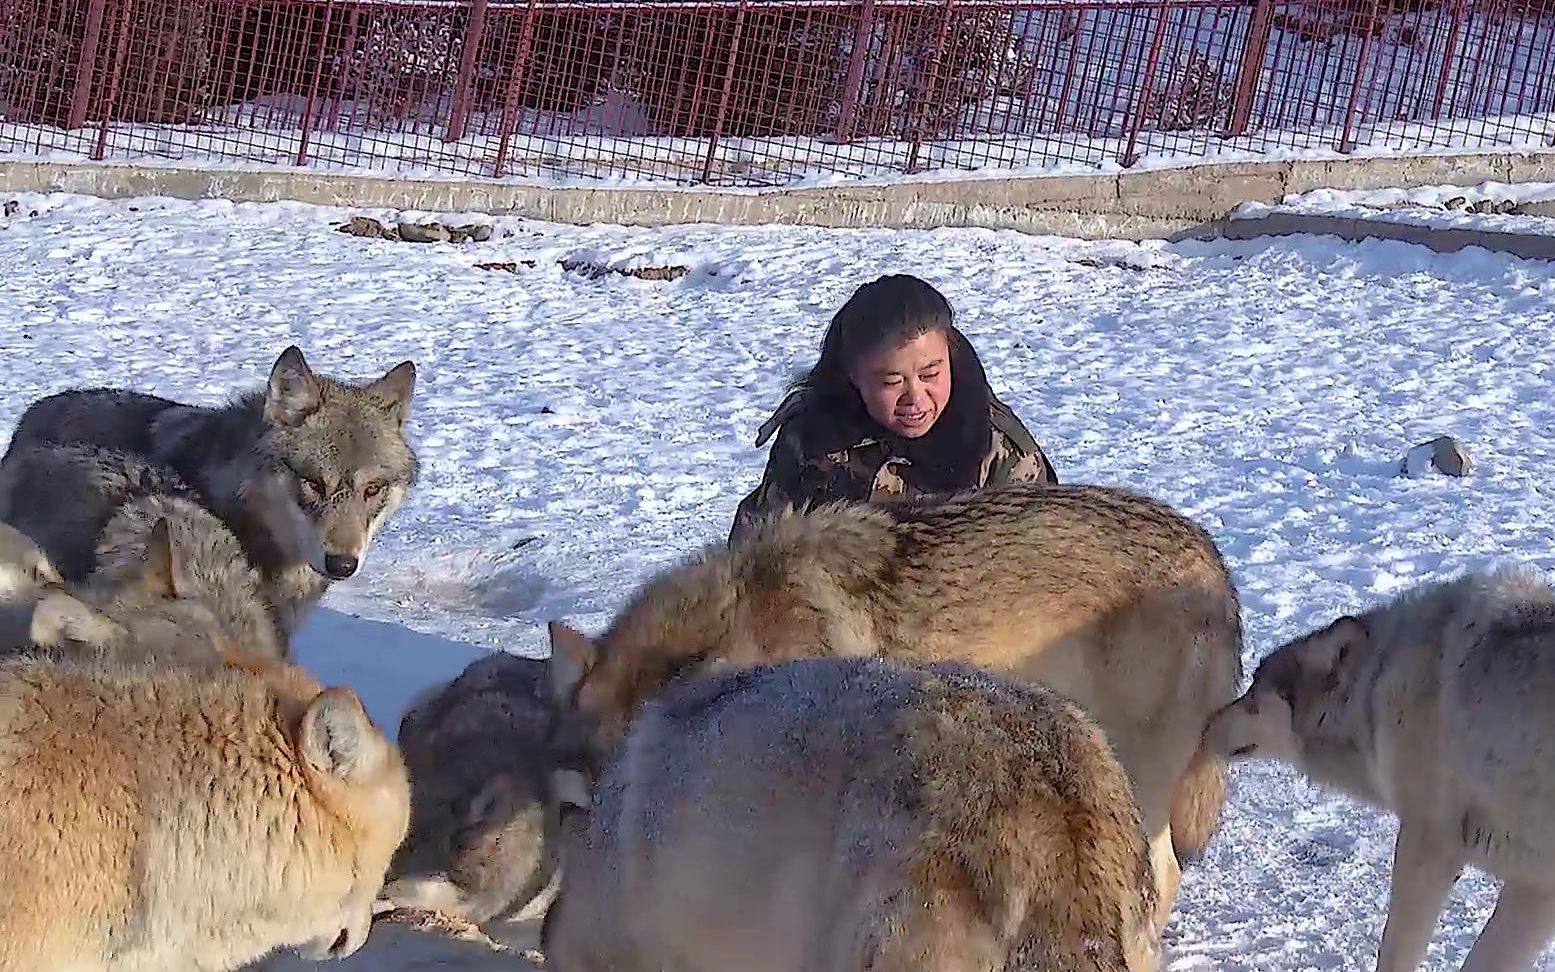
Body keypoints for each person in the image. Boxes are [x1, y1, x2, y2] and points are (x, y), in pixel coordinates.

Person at [729, 273, 1057, 546]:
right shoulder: (812, 436)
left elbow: (1043, 568)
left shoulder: (1000, 449)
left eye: (931, 374)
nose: (915, 398)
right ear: (853, 377)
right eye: (891, 382)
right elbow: (756, 553)